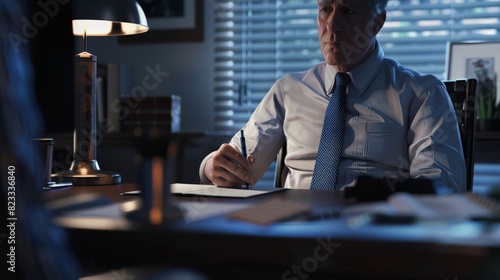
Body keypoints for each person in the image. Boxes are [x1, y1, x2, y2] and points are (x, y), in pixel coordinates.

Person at [199, 0, 466, 193]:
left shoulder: (422, 94)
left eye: (348, 11)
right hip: (291, 231)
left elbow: (441, 187)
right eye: (325, 9)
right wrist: (213, 167)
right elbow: (240, 166)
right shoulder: (288, 90)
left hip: (374, 234)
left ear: (377, 22)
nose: (332, 25)